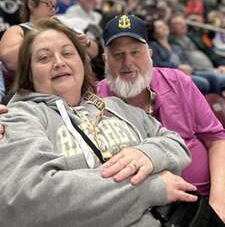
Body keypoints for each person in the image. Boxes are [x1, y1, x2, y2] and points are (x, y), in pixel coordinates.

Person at [0, 18, 196, 227]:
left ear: (82, 63)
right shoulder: (22, 116)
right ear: (29, 72)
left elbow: (176, 143)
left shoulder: (114, 106)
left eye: (67, 53)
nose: (59, 62)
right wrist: (150, 189)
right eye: (44, 57)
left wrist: (148, 153)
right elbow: (26, 199)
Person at [97, 14, 225, 223]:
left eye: (135, 52)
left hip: (209, 195)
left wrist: (219, 205)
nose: (127, 62)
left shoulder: (178, 82)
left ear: (149, 54)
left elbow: (217, 140)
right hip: (153, 213)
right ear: (105, 59)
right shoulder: (96, 101)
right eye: (118, 54)